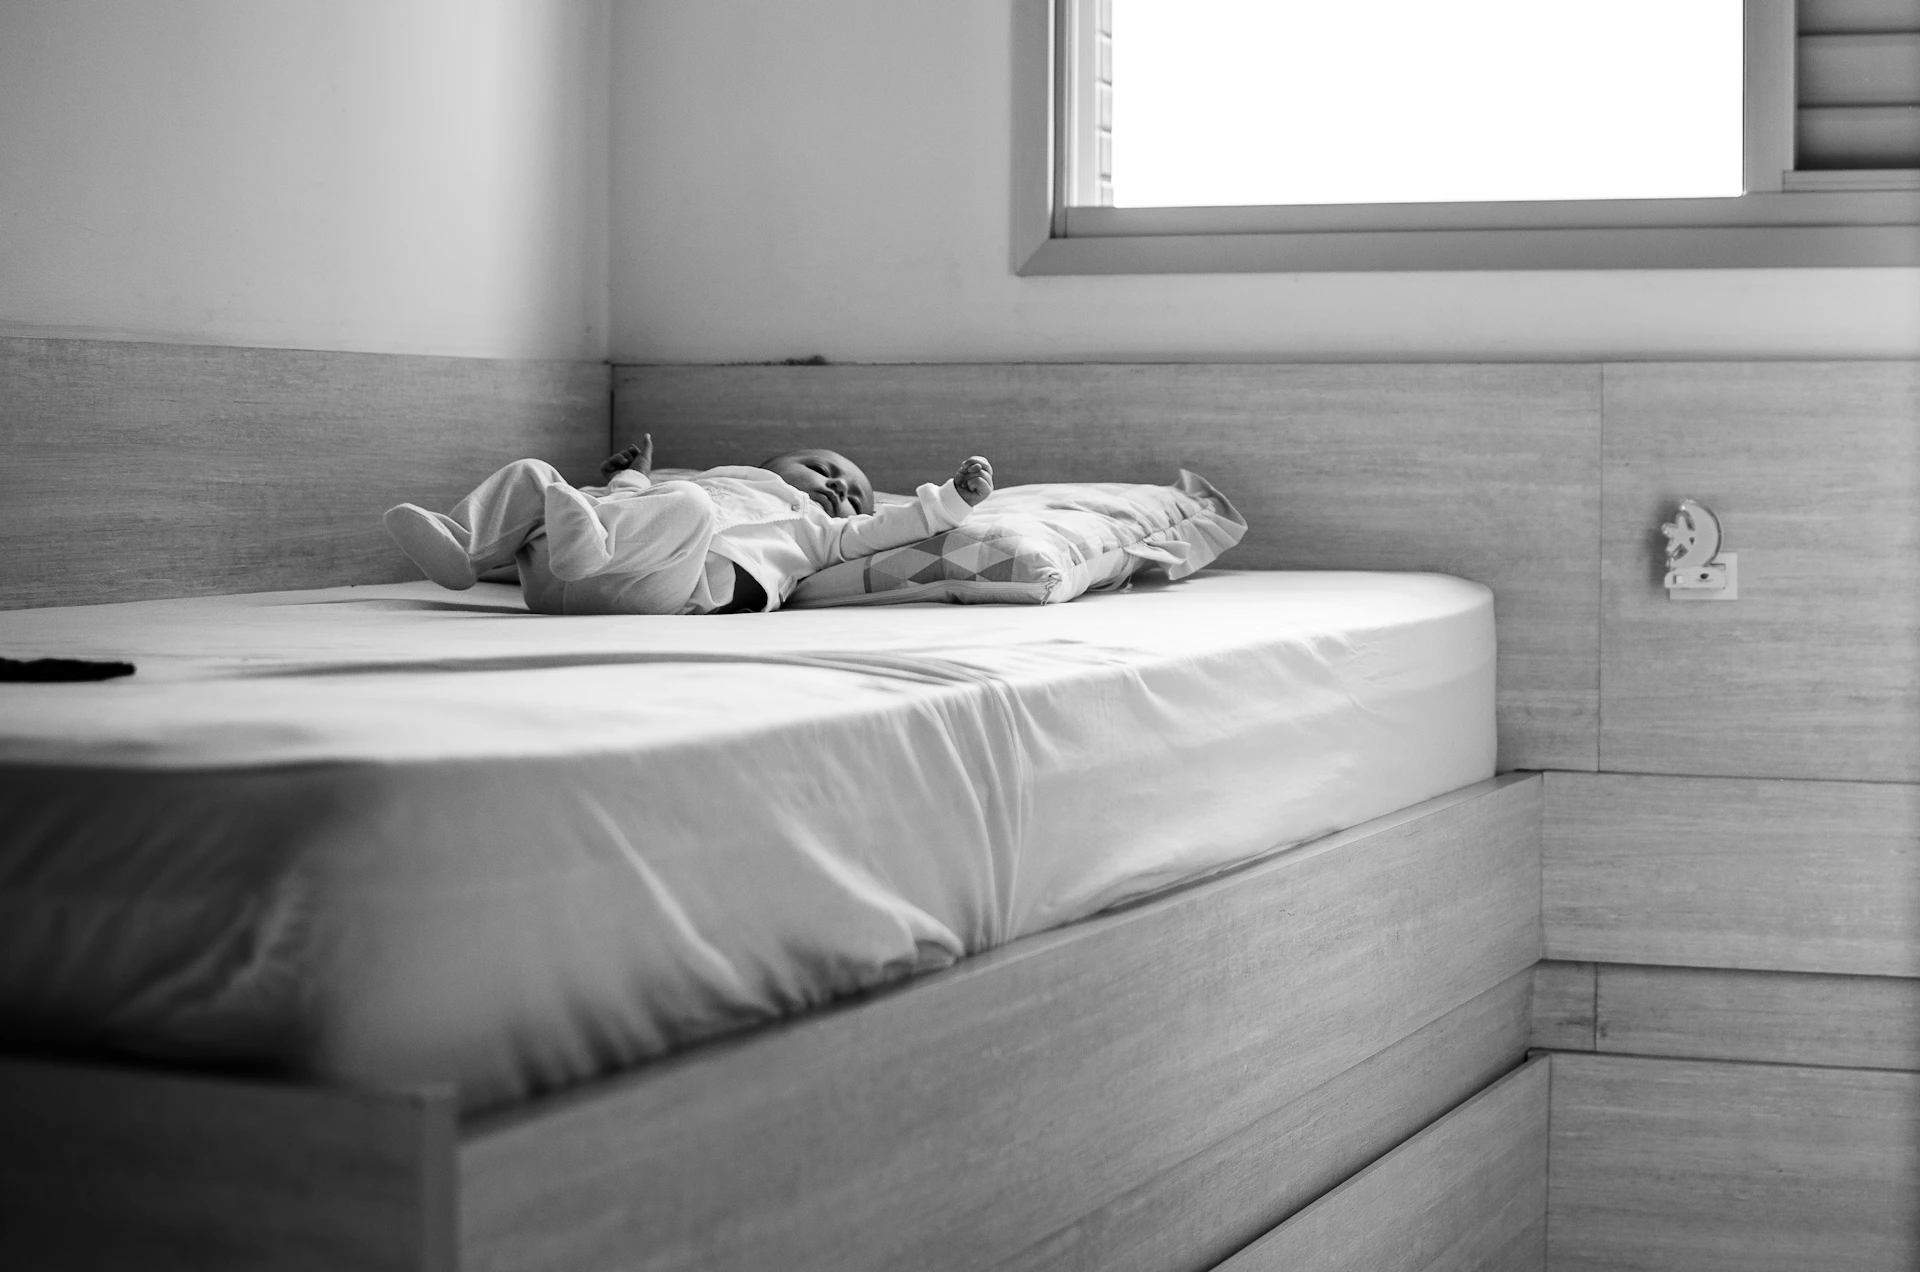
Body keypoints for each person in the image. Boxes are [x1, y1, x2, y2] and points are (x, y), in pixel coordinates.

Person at [383, 436, 994, 615]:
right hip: (559, 577)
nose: (838, 489)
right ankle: (463, 550)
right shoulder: (715, 480)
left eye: (852, 497)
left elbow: (894, 527)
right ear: (770, 464)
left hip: (659, 589)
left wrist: (951, 501)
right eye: (824, 470)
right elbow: (632, 503)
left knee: (689, 509)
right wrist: (632, 478)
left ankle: (589, 544)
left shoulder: (823, 533)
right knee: (534, 473)